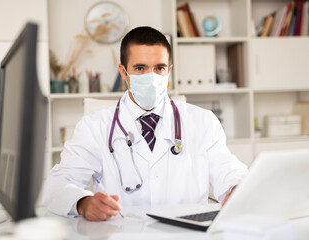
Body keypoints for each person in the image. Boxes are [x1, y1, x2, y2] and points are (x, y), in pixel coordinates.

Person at [43, 26, 248, 221]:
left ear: (169, 70)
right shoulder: (94, 126)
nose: (151, 77)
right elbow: (58, 184)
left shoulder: (203, 122)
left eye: (159, 68)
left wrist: (235, 189)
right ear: (124, 72)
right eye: (140, 68)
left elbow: (230, 173)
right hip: (122, 232)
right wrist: (84, 203)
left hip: (187, 234)